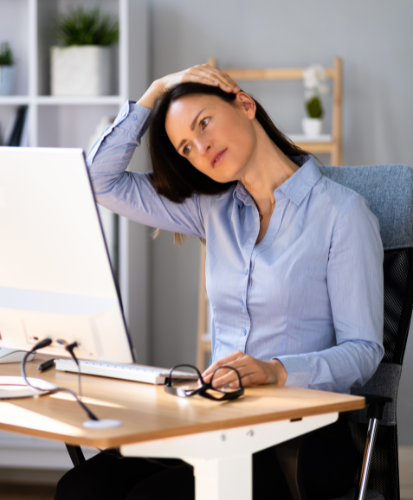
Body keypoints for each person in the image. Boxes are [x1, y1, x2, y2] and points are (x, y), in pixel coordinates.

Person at [55, 65, 384, 500]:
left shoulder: (342, 214)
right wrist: (157, 90)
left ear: (245, 104)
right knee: (81, 488)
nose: (200, 146)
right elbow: (97, 179)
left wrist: (276, 371)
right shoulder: (212, 210)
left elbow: (364, 351)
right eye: (186, 147)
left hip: (297, 438)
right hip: (216, 420)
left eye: (204, 123)